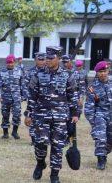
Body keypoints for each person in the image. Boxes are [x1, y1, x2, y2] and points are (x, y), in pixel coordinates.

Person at [24, 46, 78, 183]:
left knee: (57, 145)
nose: (47, 60)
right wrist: (28, 114)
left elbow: (73, 96)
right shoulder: (37, 75)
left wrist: (75, 114)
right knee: (40, 143)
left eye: (51, 58)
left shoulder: (68, 75)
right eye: (46, 57)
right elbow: (32, 96)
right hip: (41, 116)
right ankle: (40, 162)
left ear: (58, 58)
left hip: (60, 117)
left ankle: (54, 175)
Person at [84, 61, 112, 170]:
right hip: (100, 114)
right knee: (101, 137)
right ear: (97, 73)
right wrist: (94, 122)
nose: (103, 74)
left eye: (105, 71)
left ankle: (104, 153)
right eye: (100, 72)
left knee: (110, 140)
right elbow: (88, 108)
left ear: (108, 71)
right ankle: (100, 160)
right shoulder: (93, 88)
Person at [0, 54, 24, 139]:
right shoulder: (1, 72)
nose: (9, 64)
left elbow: (22, 84)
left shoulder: (19, 71)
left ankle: (14, 132)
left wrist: (23, 95)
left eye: (11, 62)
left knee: (16, 114)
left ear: (14, 62)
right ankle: (5, 133)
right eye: (8, 63)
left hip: (16, 98)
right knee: (5, 115)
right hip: (5, 97)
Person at [24, 52, 46, 143]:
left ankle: (44, 137)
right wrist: (27, 96)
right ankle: (33, 138)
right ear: (35, 60)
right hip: (33, 99)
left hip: (45, 100)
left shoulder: (49, 72)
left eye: (43, 59)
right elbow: (25, 85)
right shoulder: (30, 72)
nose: (41, 62)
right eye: (39, 60)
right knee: (32, 117)